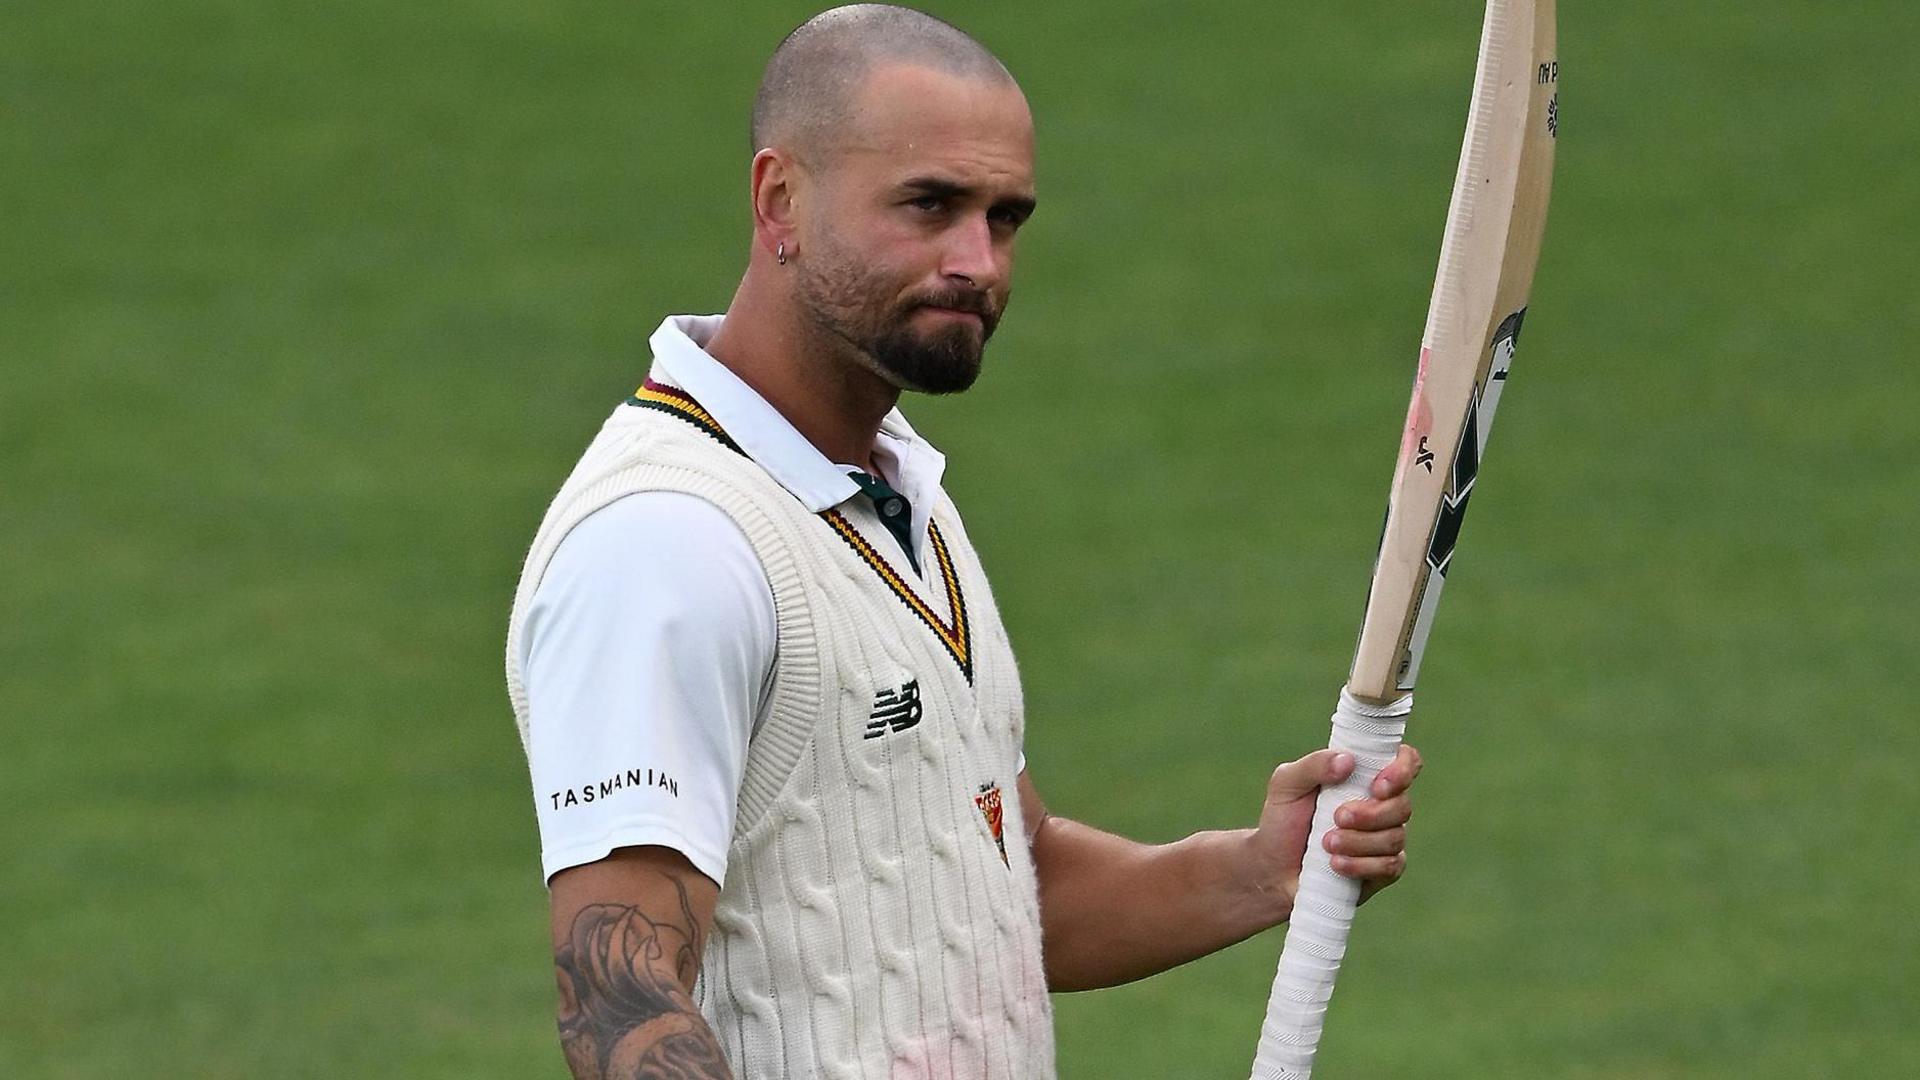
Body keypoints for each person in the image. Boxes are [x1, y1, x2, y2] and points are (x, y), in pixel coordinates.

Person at [504, 6, 1421, 1078]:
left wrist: (1262, 873)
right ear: (779, 200)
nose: (978, 263)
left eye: (1006, 218)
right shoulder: (670, 542)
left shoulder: (899, 493)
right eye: (931, 206)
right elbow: (621, 1002)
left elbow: (1006, 880)